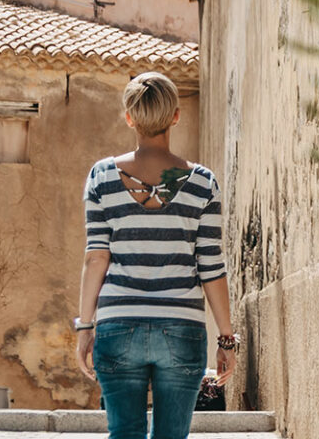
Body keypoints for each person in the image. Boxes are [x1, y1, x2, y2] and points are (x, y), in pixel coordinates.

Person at [74, 71, 237, 439]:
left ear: (129, 118)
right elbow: (211, 265)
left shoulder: (101, 177)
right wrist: (226, 339)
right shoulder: (203, 183)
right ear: (175, 116)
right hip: (182, 327)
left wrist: (85, 326)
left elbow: (95, 258)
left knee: (124, 433)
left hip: (118, 323)